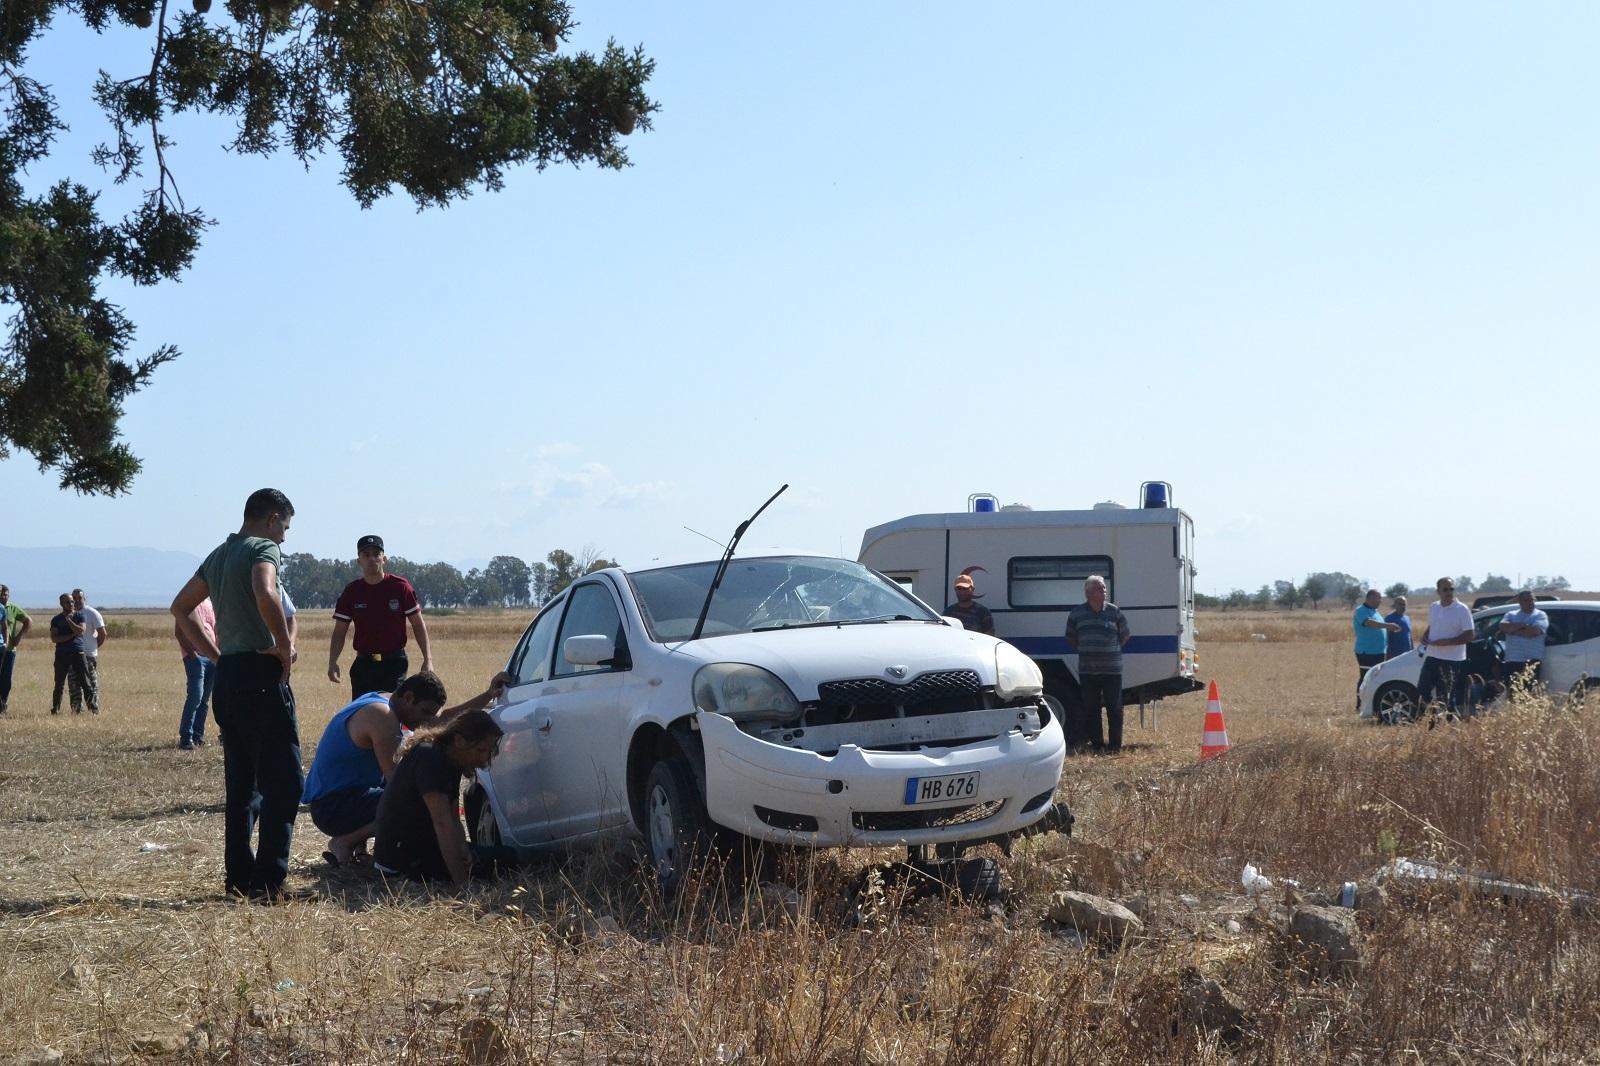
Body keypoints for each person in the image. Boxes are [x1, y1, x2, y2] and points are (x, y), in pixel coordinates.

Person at [170, 488, 301, 901]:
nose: (284, 538)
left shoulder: (219, 554)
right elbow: (265, 591)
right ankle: (268, 883)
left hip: (230, 677)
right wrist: (283, 644)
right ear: (272, 519)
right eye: (285, 527)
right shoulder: (263, 547)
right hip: (262, 674)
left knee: (243, 786)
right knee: (285, 783)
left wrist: (215, 655)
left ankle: (240, 880)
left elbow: (180, 607)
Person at [303, 670, 508, 866]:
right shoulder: (382, 716)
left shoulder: (386, 701)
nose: (426, 721)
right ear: (409, 698)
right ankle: (345, 841)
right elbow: (396, 783)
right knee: (414, 804)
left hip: (344, 798)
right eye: (425, 712)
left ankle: (357, 845)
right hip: (333, 808)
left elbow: (442, 721)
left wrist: (489, 695)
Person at [373, 708, 504, 886]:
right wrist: (462, 883)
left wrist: (462, 848)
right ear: (459, 740)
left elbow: (453, 816)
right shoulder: (430, 758)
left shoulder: (453, 758)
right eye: (481, 750)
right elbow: (442, 823)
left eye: (488, 752)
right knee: (505, 861)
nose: (484, 758)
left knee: (503, 857)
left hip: (420, 847)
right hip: (402, 860)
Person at [328, 535, 432, 699]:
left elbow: (418, 624)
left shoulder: (400, 587)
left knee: (390, 711)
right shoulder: (352, 591)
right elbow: (340, 631)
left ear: (384, 559)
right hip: (364, 665)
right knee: (362, 714)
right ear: (359, 561)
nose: (372, 559)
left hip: (394, 664)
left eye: (376, 554)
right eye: (366, 555)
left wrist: (428, 659)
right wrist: (332, 661)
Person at [1065, 574, 1131, 753]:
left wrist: (1110, 650)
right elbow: (1071, 638)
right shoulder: (1077, 613)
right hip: (1088, 670)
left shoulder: (1114, 612)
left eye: (1104, 587)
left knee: (1114, 708)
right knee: (1091, 709)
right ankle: (1097, 745)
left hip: (1112, 670)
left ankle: (1115, 746)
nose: (1104, 590)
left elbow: (1125, 636)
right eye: (1100, 587)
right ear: (1088, 592)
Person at [1417, 577, 1474, 717]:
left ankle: (1450, 726)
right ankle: (1434, 719)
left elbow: (1470, 635)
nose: (1449, 592)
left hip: (1451, 659)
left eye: (1451, 589)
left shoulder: (1461, 609)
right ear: (1438, 591)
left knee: (1446, 697)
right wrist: (1425, 636)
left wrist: (1448, 642)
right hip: (1432, 656)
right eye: (1445, 589)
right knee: (1422, 690)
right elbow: (1433, 626)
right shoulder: (1434, 607)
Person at [175, 597, 217, 749]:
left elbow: (214, 628)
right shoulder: (187, 602)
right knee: (195, 696)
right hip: (196, 657)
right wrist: (193, 655)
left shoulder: (210, 603)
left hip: (211, 656)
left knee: (204, 699)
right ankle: (186, 737)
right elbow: (179, 632)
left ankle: (198, 736)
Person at [1352, 589, 1401, 709]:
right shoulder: (1361, 611)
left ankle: (1372, 703)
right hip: (1366, 651)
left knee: (1376, 678)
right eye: (1378, 598)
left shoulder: (1376, 612)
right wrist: (1388, 626)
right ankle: (1360, 704)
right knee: (1365, 677)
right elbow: (1369, 623)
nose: (1380, 600)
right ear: (1369, 598)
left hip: (1379, 651)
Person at [49, 593, 96, 715]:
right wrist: (71, 635)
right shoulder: (56, 620)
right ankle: (55, 709)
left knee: (86, 682)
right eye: (67, 602)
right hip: (62, 655)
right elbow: (54, 638)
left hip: (78, 653)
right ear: (61, 604)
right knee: (59, 684)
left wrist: (69, 621)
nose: (71, 604)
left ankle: (93, 709)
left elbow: (80, 631)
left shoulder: (80, 616)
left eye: (72, 601)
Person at [1496, 590, 1549, 694]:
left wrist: (1514, 630)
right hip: (1512, 660)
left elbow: (1535, 631)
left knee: (1528, 693)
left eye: (1532, 600)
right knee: (1513, 693)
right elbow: (1503, 627)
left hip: (1531, 661)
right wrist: (1524, 626)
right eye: (1527, 600)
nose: (1530, 602)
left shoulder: (1540, 615)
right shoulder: (1511, 614)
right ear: (1520, 602)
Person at [71, 589, 108, 714]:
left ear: (84, 599)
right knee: (74, 684)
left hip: (88, 655)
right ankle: (76, 710)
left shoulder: (92, 613)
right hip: (73, 654)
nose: (76, 601)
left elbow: (102, 634)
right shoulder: (70, 615)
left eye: (79, 598)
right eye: (74, 598)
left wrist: (94, 647)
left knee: (91, 683)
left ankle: (94, 710)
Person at [0, 585, 31, 715]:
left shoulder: (12, 608)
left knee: (6, 679)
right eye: (2, 594)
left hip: (9, 650)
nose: (3, 597)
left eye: (6, 594)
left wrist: (18, 637)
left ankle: (3, 704)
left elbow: (28, 621)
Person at [1384, 595, 1412, 659]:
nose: (1403, 606)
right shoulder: (1389, 618)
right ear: (1395, 605)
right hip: (1394, 655)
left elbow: (1409, 636)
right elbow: (1385, 638)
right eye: (1400, 604)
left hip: (1407, 654)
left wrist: (1411, 650)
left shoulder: (1407, 618)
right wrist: (1388, 654)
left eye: (1404, 604)